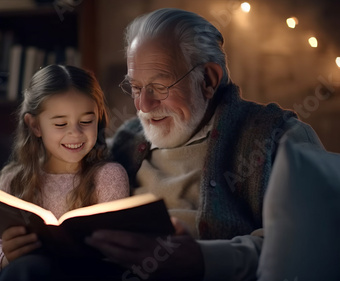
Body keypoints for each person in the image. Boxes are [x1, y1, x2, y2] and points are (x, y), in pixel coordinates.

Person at [84, 8, 324, 281]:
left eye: (160, 87)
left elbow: (310, 247)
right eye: (136, 88)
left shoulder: (281, 139)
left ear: (209, 79)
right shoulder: (125, 141)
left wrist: (203, 260)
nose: (143, 105)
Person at [0, 64, 129, 280]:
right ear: (35, 126)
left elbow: (117, 253)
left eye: (86, 121)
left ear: (98, 118)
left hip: (87, 275)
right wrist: (7, 257)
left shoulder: (108, 176)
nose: (75, 133)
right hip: (26, 273)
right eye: (61, 124)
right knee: (27, 268)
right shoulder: (14, 179)